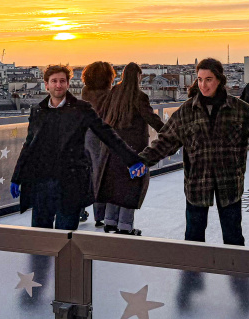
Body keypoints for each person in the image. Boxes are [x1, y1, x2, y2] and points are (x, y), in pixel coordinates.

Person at [138, 58, 249, 246]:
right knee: (194, 235)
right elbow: (166, 141)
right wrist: (143, 160)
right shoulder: (187, 111)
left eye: (208, 79)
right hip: (198, 182)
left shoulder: (237, 108)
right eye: (199, 79)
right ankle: (193, 271)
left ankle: (235, 268)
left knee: (233, 234)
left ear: (219, 80)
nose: (203, 85)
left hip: (229, 181)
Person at [10, 65, 147, 230]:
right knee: (41, 238)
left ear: (68, 84)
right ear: (46, 85)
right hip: (43, 184)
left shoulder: (81, 109)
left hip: (70, 185)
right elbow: (29, 145)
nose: (58, 85)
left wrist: (131, 160)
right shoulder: (38, 111)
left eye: (62, 81)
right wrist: (17, 177)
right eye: (54, 81)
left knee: (66, 239)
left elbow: (107, 135)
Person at [94, 62, 165, 236]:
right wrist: (169, 134)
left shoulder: (114, 93)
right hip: (133, 149)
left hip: (113, 147)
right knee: (130, 187)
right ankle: (125, 226)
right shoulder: (139, 96)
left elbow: (103, 116)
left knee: (113, 186)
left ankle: (110, 222)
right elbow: (151, 119)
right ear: (138, 77)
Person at [80, 61, 117, 225]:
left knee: (89, 172)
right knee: (103, 174)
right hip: (105, 134)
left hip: (87, 134)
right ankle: (100, 215)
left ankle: (80, 207)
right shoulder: (110, 94)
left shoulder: (85, 92)